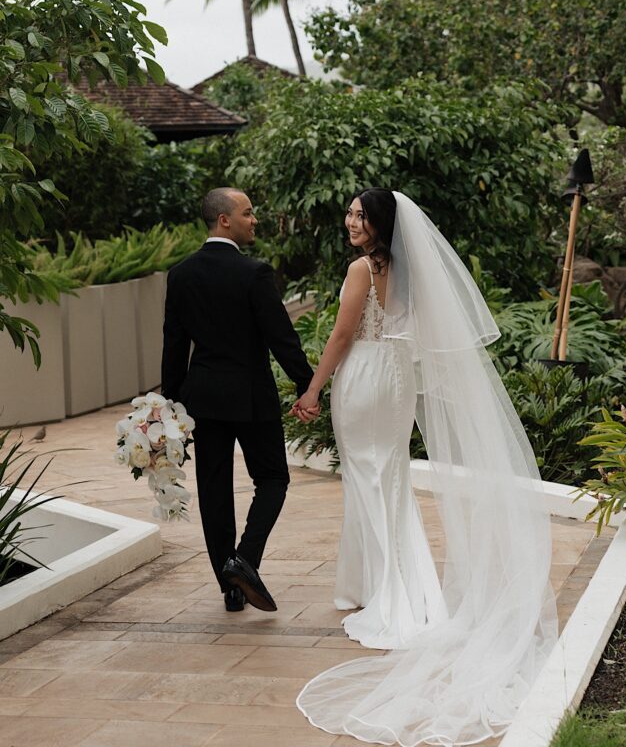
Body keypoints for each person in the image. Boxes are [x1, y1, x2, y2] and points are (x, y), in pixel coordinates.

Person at [293, 189, 558, 746]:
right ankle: (377, 584)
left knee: (367, 483)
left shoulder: (362, 269)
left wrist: (314, 389)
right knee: (385, 480)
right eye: (349, 213)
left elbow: (342, 335)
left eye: (359, 215)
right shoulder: (408, 272)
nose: (350, 222)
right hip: (396, 378)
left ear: (380, 223)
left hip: (364, 375)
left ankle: (391, 595)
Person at [161, 187, 315, 613]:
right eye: (248, 213)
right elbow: (281, 339)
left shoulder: (181, 274)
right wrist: (308, 384)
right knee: (272, 479)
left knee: (213, 489)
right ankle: (243, 560)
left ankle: (230, 587)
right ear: (224, 220)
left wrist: (170, 406)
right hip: (251, 397)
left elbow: (173, 345)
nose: (255, 220)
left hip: (202, 399)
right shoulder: (255, 273)